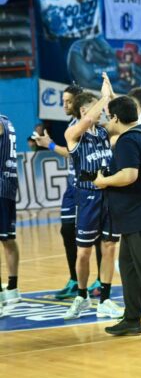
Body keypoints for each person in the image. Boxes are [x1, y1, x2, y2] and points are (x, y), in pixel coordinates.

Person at [94, 95, 141, 337]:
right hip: (133, 218)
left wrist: (103, 181)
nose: (105, 122)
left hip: (138, 215)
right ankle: (132, 318)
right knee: (130, 270)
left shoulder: (127, 141)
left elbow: (129, 175)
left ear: (115, 117)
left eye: (107, 116)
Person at [34, 86, 103, 301]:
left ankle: (100, 279)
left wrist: (50, 145)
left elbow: (71, 153)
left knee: (97, 235)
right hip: (72, 186)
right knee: (66, 230)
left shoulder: (88, 126)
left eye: (68, 101)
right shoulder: (72, 124)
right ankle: (74, 280)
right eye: (63, 101)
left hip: (88, 187)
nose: (64, 105)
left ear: (80, 105)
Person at [63, 83, 122, 320]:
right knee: (84, 252)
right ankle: (81, 295)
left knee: (109, 247)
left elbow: (123, 118)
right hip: (87, 197)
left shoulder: (105, 132)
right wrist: (103, 96)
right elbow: (87, 122)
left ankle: (105, 299)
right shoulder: (72, 133)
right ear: (82, 112)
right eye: (91, 110)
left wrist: (111, 96)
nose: (97, 113)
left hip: (108, 195)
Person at [0, 113, 19, 306]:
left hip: (1, 186)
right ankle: (12, 288)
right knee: (8, 239)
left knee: (8, 239)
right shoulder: (8, 120)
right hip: (8, 185)